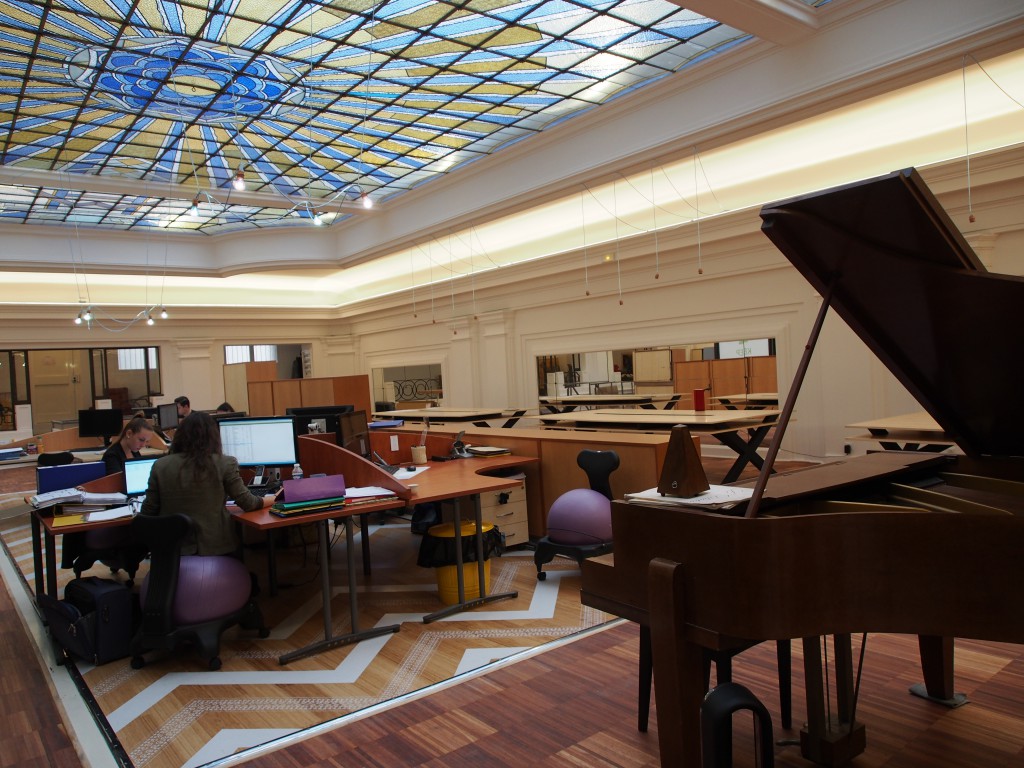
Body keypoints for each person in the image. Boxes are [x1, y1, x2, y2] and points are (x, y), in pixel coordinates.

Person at [140, 412, 277, 556]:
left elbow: (148, 512)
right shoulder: (224, 463)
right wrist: (275, 498)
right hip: (214, 548)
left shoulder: (160, 466)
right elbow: (249, 503)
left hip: (171, 550)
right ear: (213, 436)